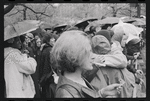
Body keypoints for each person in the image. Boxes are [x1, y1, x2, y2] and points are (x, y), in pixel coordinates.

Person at [51, 30, 124, 98]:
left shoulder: (77, 78)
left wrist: (101, 94)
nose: (93, 57)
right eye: (88, 52)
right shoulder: (66, 94)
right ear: (74, 56)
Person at [39, 34, 55, 98]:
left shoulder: (44, 49)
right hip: (49, 78)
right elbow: (48, 66)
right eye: (52, 38)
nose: (54, 40)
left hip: (45, 78)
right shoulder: (50, 50)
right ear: (48, 41)